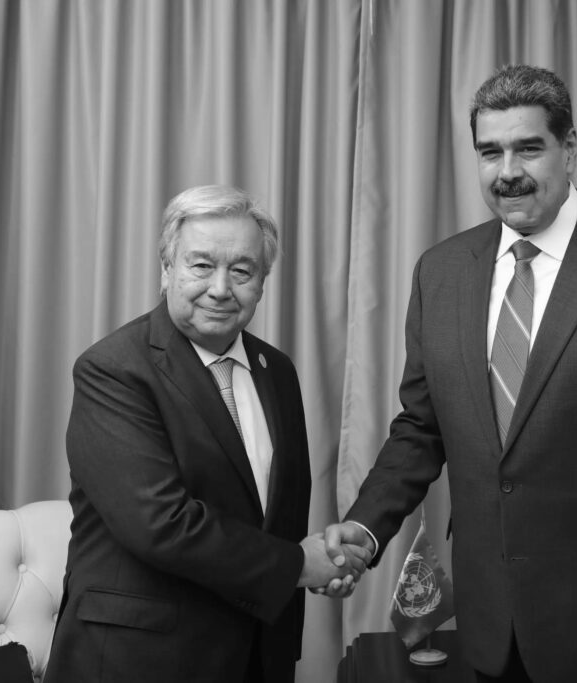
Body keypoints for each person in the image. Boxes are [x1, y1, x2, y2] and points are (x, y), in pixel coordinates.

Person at [324, 65, 577, 682]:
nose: (507, 171)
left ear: (568, 149)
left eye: (528, 148)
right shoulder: (440, 272)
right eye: (490, 152)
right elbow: (420, 428)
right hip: (491, 619)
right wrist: (364, 527)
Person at [44, 185, 368, 683]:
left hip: (257, 653)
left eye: (242, 271)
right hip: (139, 660)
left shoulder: (277, 371)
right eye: (201, 265)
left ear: (262, 283)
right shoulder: (113, 370)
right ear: (166, 269)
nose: (220, 288)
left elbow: (272, 518)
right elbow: (160, 524)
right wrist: (298, 566)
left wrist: (319, 562)